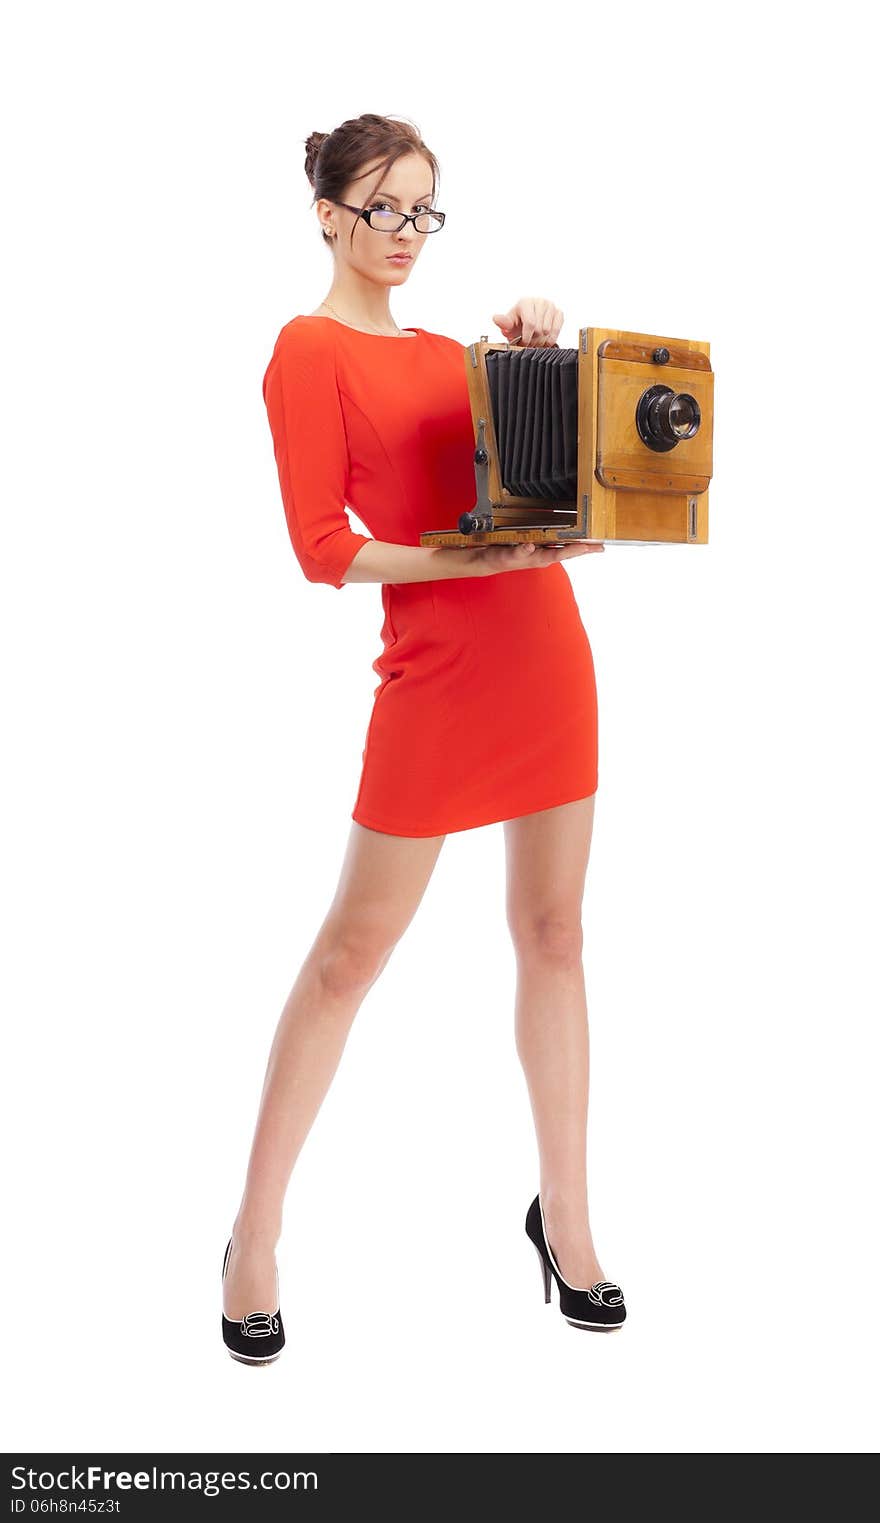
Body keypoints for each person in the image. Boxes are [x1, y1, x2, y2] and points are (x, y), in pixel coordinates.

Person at [220, 113, 625, 1363]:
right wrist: (462, 556)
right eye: (383, 208)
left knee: (554, 934)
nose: (405, 234)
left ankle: (566, 1220)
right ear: (329, 213)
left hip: (542, 650)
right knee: (350, 955)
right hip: (436, 667)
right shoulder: (308, 349)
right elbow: (323, 548)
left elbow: (526, 489)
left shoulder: (457, 349)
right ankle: (252, 1233)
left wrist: (536, 348)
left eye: (423, 211)